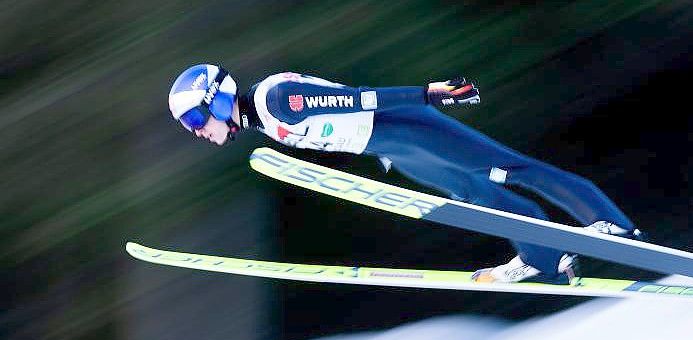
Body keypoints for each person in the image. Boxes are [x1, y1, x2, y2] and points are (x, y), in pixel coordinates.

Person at [168, 63, 644, 284]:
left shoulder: (276, 101)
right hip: (392, 147)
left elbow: (361, 99)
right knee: (478, 197)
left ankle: (611, 223)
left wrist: (431, 93)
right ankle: (542, 257)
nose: (197, 133)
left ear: (220, 99)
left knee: (511, 169)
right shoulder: (263, 120)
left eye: (194, 121)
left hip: (406, 128)